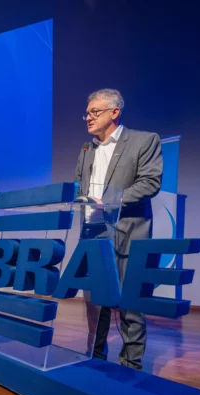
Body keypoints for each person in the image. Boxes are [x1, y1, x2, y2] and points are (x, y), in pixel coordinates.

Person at [74, 88, 162, 370]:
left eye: (94, 112)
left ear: (114, 112)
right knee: (96, 304)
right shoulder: (86, 150)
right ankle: (95, 359)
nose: (88, 117)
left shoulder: (144, 141)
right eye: (87, 112)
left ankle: (131, 367)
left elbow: (150, 183)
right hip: (94, 236)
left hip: (128, 233)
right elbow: (80, 187)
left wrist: (110, 200)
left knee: (130, 307)